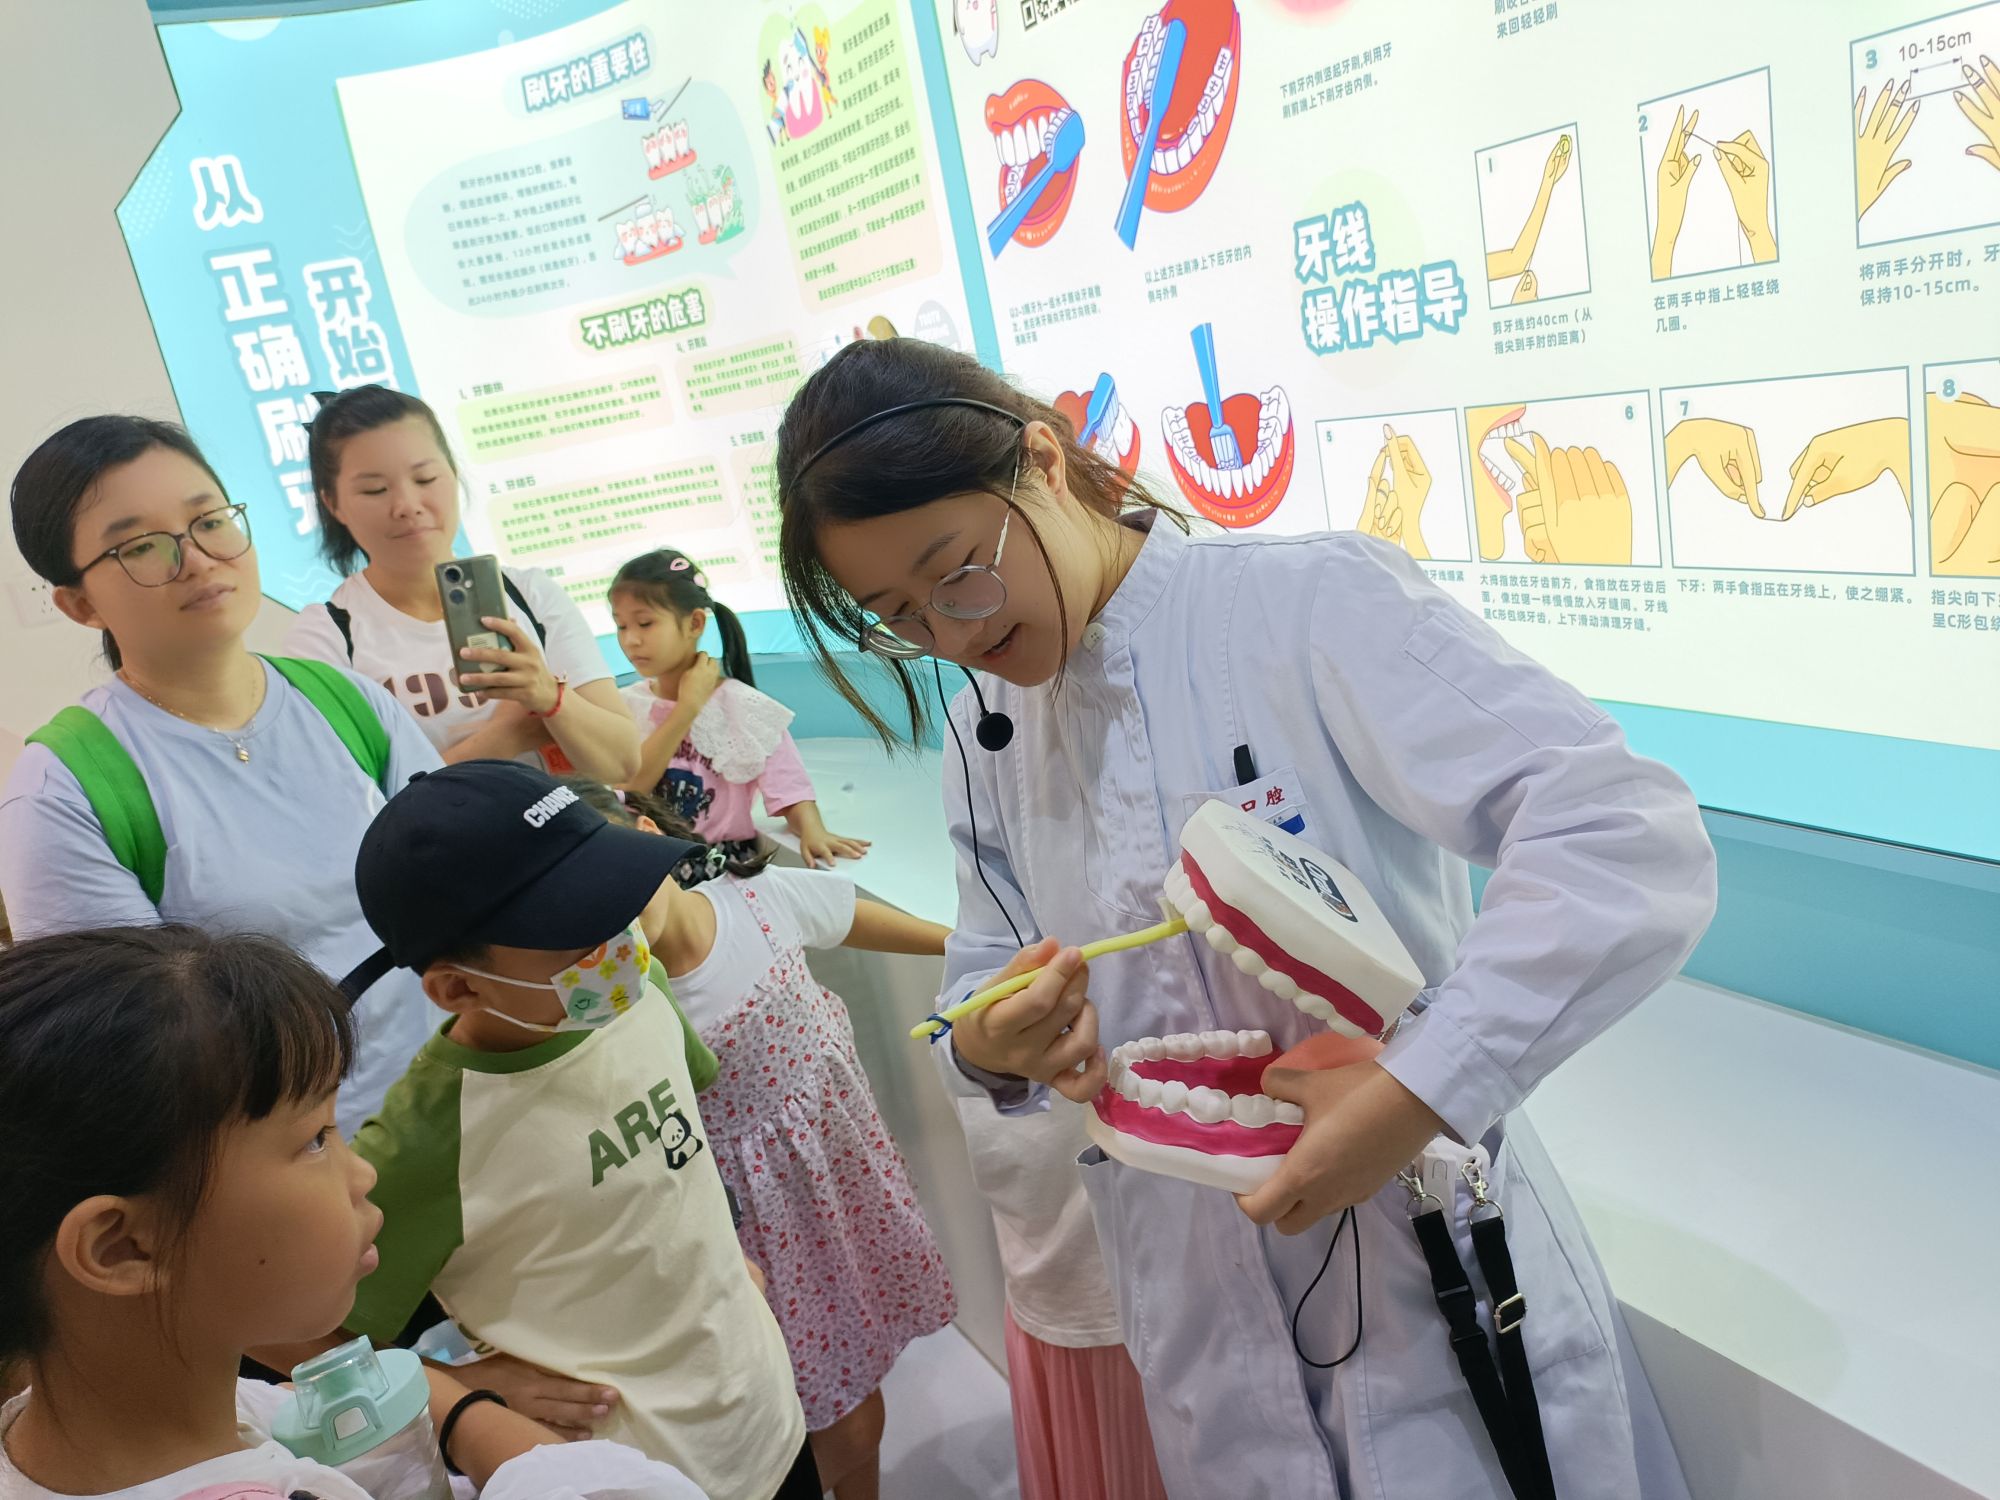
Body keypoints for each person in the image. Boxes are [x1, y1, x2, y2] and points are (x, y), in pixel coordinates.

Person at [773, 338, 1718, 1498]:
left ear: (1041, 464)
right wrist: (988, 1041)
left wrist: (1416, 1090)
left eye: (958, 572)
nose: (954, 633)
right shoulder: (987, 734)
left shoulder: (1303, 607)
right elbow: (975, 977)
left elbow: (1621, 833)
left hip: (1427, 1280)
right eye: (899, 617)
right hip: (1196, 1325)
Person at [256, 760, 817, 1500]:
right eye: (576, 931)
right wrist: (457, 1389)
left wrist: (720, 1252)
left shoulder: (641, 992)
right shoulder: (428, 1138)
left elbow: (678, 1145)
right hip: (633, 1472)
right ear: (458, 987)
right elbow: (282, 1325)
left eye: (616, 899)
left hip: (766, 1415)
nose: (620, 944)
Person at [0, 924, 706, 1500]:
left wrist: (459, 1412)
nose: (362, 1172)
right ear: (122, 1247)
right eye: (315, 1139)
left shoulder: (98, 1422)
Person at [0, 416, 440, 1136]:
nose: (198, 559)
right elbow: (133, 1055)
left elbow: (465, 893)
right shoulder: (64, 791)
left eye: (209, 521)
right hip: (290, 1163)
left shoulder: (348, 702)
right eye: (140, 546)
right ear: (79, 604)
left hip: (461, 1107)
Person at [567, 779, 953, 1500]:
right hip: (747, 1241)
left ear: (645, 838)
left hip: (840, 1195)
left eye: (605, 878)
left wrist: (970, 950)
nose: (604, 913)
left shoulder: (754, 900)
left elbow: (849, 914)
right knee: (821, 1419)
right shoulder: (623, 1006)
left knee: (859, 1402)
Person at [283, 385, 639, 785]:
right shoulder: (326, 638)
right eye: (375, 490)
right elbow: (350, 800)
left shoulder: (530, 594)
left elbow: (623, 764)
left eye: (425, 478)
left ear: (452, 473)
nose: (407, 505)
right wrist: (501, 739)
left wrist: (550, 697)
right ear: (333, 503)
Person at [610, 547, 867, 868]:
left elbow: (788, 788)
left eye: (645, 623)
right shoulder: (623, 704)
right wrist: (687, 707)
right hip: (649, 861)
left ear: (695, 623)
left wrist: (814, 831)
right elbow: (629, 790)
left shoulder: (743, 705)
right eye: (621, 626)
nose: (631, 640)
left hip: (719, 863)